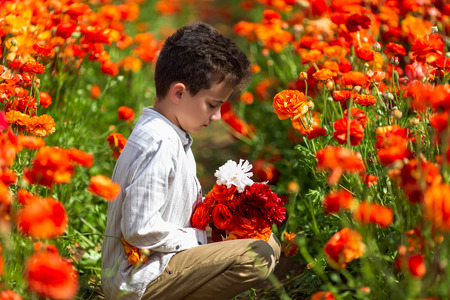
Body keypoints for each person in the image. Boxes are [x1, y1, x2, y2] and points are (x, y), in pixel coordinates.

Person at [101, 21, 281, 300]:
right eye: (212, 104)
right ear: (179, 93)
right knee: (256, 256)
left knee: (265, 240)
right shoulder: (160, 142)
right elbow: (139, 229)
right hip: (139, 277)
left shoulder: (170, 133)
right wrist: (201, 239)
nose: (218, 116)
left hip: (161, 262)